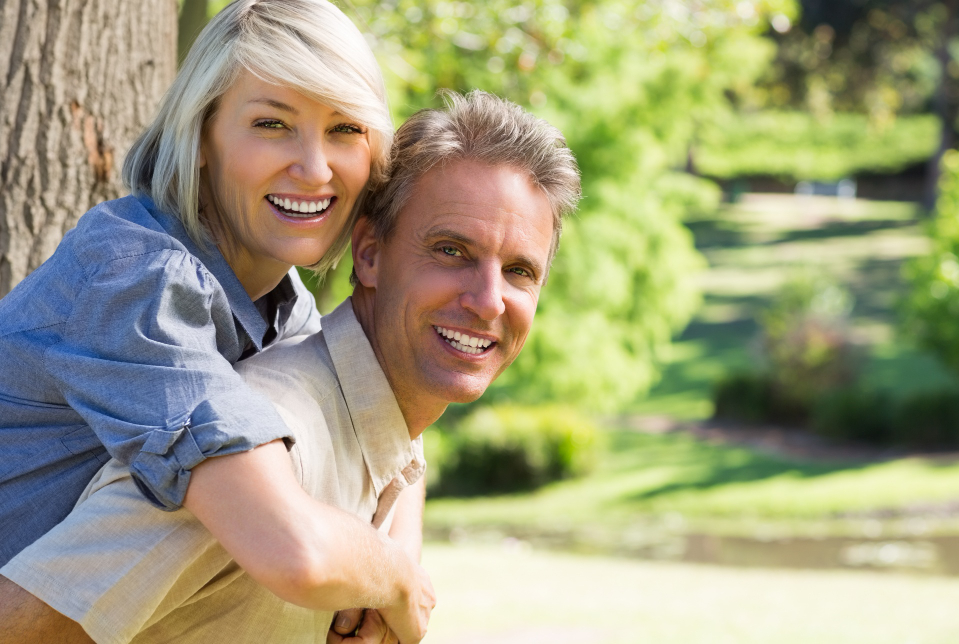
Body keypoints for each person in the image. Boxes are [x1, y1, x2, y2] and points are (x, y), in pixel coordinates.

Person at [0, 91, 582, 644]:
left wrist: (395, 560)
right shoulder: (257, 456)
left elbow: (406, 458)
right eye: (451, 251)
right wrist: (393, 575)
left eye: (520, 272)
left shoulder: (378, 404)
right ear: (370, 254)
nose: (487, 300)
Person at [0, 1, 437, 641]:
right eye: (272, 124)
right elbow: (294, 552)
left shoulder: (278, 304)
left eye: (345, 129)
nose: (314, 169)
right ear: (200, 137)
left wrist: (396, 543)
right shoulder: (138, 283)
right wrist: (396, 579)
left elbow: (388, 428)